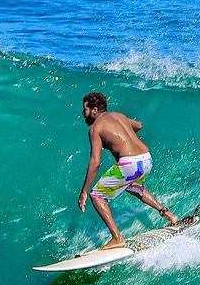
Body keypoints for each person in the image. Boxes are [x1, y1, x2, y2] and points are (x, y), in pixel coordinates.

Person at [77, 91, 183, 250]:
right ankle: (170, 216)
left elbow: (95, 162)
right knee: (134, 187)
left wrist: (84, 191)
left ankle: (117, 238)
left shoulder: (95, 128)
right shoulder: (118, 115)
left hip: (129, 163)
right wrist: (122, 136)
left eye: (85, 109)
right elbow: (139, 125)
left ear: (94, 110)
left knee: (96, 194)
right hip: (146, 159)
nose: (83, 113)